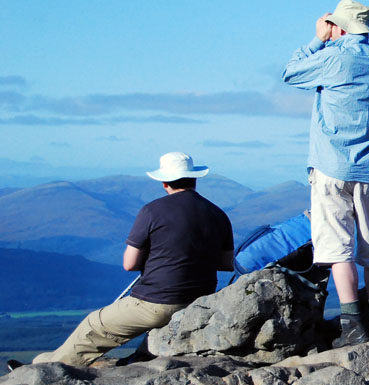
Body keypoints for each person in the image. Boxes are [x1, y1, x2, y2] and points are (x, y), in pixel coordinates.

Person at [8, 152, 234, 369]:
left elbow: (130, 263)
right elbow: (225, 264)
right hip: (199, 301)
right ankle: (44, 362)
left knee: (94, 325)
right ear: (194, 179)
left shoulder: (152, 211)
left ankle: (46, 370)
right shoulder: (218, 214)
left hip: (156, 301)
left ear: (164, 182)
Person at [282, 0, 369, 347]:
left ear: (340, 27)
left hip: (331, 167)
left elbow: (291, 72)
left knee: (338, 249)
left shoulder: (332, 58)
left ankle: (353, 327)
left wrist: (318, 38)